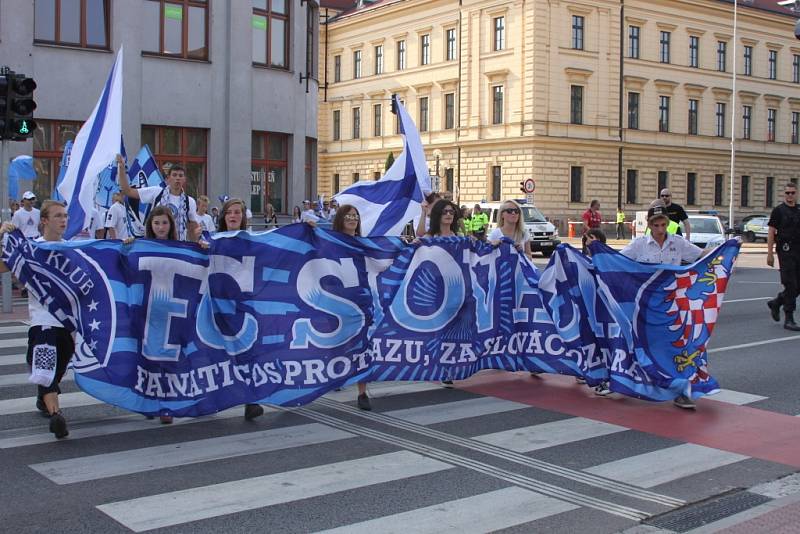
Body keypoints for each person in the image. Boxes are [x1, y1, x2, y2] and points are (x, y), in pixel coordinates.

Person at [620, 200, 704, 409]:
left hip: (671, 307)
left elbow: (701, 256)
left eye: (663, 224)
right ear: (649, 224)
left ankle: (681, 391)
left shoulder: (677, 243)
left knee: (675, 348)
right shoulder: (639, 245)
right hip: (644, 309)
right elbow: (616, 262)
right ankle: (621, 380)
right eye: (655, 225)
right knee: (638, 347)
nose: (660, 229)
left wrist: (726, 250)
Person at [0, 201, 74, 438]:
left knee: (59, 368)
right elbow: (3, 266)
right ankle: (56, 415)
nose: (63, 220)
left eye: (65, 216)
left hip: (66, 324)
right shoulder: (31, 248)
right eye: (57, 216)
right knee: (46, 367)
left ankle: (44, 399)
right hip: (43, 323)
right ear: (44, 221)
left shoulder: (72, 249)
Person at [216, 198, 266, 421]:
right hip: (216, 306)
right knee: (216, 353)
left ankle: (250, 400)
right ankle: (212, 397)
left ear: (243, 217)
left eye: (237, 212)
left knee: (246, 353)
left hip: (243, 306)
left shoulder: (253, 240)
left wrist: (307, 230)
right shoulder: (212, 240)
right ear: (224, 217)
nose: (233, 216)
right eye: (229, 213)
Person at [331, 205, 372, 411]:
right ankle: (333, 377)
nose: (352, 219)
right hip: (337, 301)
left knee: (360, 345)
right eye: (348, 215)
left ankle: (362, 393)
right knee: (337, 343)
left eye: (355, 215)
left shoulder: (364, 244)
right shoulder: (328, 241)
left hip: (360, 300)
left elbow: (383, 255)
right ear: (340, 218)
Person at [117, 155, 200, 241]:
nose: (177, 178)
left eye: (180, 176)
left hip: (177, 246)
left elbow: (192, 228)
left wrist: (197, 243)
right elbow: (128, 191)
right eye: (174, 175)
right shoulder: (157, 192)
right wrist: (121, 169)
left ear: (184, 179)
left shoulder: (189, 201)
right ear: (168, 178)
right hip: (155, 244)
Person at [766, 182, 800, 331]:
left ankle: (777, 302)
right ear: (784, 194)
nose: (790, 195)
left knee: (798, 286)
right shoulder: (778, 211)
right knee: (790, 284)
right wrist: (770, 253)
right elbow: (771, 232)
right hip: (785, 251)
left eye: (792, 193)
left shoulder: (799, 210)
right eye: (787, 193)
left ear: (796, 194)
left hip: (798, 250)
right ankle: (789, 318)